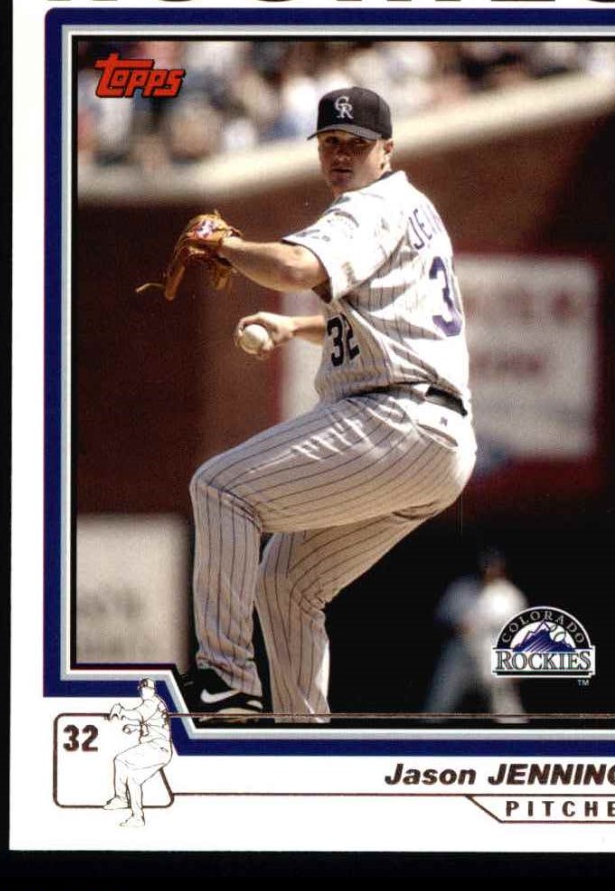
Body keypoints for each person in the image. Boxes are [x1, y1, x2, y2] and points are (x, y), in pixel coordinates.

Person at [180, 86, 477, 724]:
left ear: (386, 150)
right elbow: (395, 325)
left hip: (392, 421)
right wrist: (297, 328)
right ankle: (305, 739)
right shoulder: (415, 209)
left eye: (357, 144)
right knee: (287, 583)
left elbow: (293, 267)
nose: (342, 155)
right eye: (331, 142)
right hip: (437, 443)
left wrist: (224, 245)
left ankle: (226, 678)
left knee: (221, 489)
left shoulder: (369, 206)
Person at [425, 549, 528, 724]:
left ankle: (517, 737)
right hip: (459, 653)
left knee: (506, 709)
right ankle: (425, 735)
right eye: (486, 566)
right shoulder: (461, 588)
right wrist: (456, 627)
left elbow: (521, 635)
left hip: (491, 655)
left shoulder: (510, 595)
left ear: (501, 568)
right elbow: (440, 620)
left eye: (493, 566)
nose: (489, 570)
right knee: (439, 702)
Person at [103, 678, 173, 827]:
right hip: (156, 747)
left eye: (147, 688)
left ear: (153, 690)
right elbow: (150, 722)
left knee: (124, 765)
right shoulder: (153, 703)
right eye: (142, 689)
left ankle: (129, 807)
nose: (144, 691)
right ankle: (129, 808)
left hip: (157, 748)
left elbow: (138, 715)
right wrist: (133, 727)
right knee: (127, 771)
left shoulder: (152, 702)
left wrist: (121, 711)